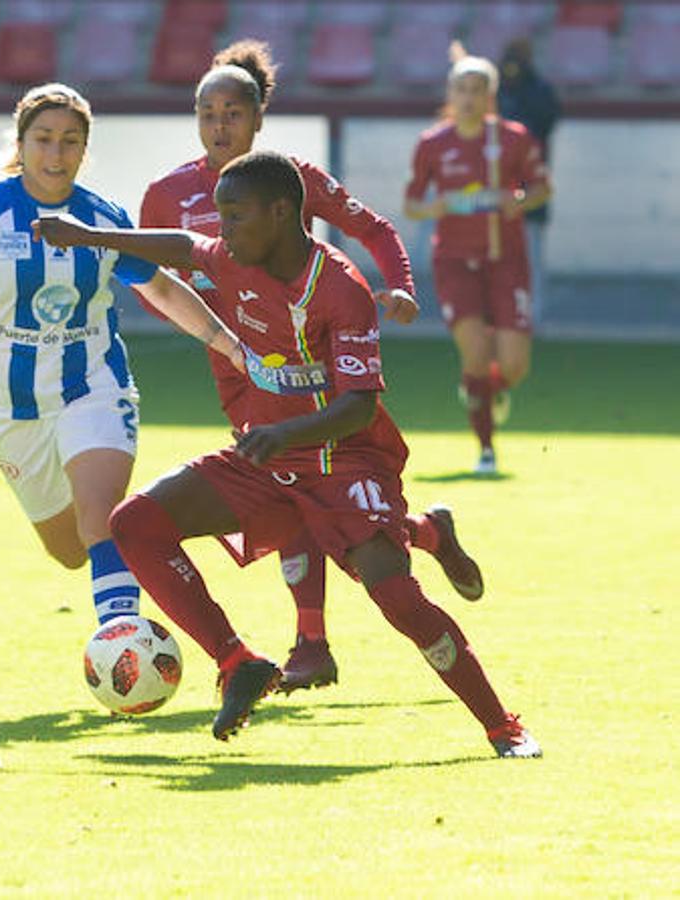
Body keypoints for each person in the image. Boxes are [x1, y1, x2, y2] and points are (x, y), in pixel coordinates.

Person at [35, 150, 541, 758]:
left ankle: (502, 727)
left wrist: (283, 435)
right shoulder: (231, 256)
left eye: (235, 216)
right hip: (268, 460)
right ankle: (237, 661)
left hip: (343, 460)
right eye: (219, 216)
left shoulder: (339, 287)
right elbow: (179, 245)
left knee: (398, 599)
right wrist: (87, 235)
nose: (221, 231)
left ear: (280, 213)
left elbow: (358, 405)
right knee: (134, 524)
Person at [140, 40, 484, 694]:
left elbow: (376, 229)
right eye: (207, 114)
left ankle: (312, 641)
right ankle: (423, 536)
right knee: (296, 493)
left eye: (233, 113)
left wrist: (401, 284)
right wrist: (211, 331)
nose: (220, 126)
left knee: (303, 483)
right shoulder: (169, 194)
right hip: (237, 368)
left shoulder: (292, 183)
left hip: (310, 363)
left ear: (258, 117)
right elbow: (144, 278)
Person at [0, 83, 244, 638]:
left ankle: (123, 642)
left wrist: (227, 342)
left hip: (95, 386)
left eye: (70, 142)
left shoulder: (101, 218)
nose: (56, 155)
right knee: (69, 550)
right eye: (44, 140)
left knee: (102, 520)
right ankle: (133, 583)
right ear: (22, 142)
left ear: (85, 149)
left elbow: (162, 288)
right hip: (13, 406)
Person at [405, 45, 551, 476]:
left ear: (491, 95)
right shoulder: (432, 143)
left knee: (512, 365)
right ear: (450, 93)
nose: (468, 97)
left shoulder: (513, 138)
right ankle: (486, 449)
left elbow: (542, 188)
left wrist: (517, 199)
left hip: (506, 259)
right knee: (474, 353)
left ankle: (488, 389)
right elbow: (413, 204)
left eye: (477, 90)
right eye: (461, 89)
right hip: (454, 260)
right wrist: (439, 206)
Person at [497, 37, 560, 319]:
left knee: (530, 254)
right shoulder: (493, 90)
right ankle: (500, 312)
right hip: (495, 186)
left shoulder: (540, 91)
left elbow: (546, 122)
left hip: (528, 185)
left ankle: (533, 315)